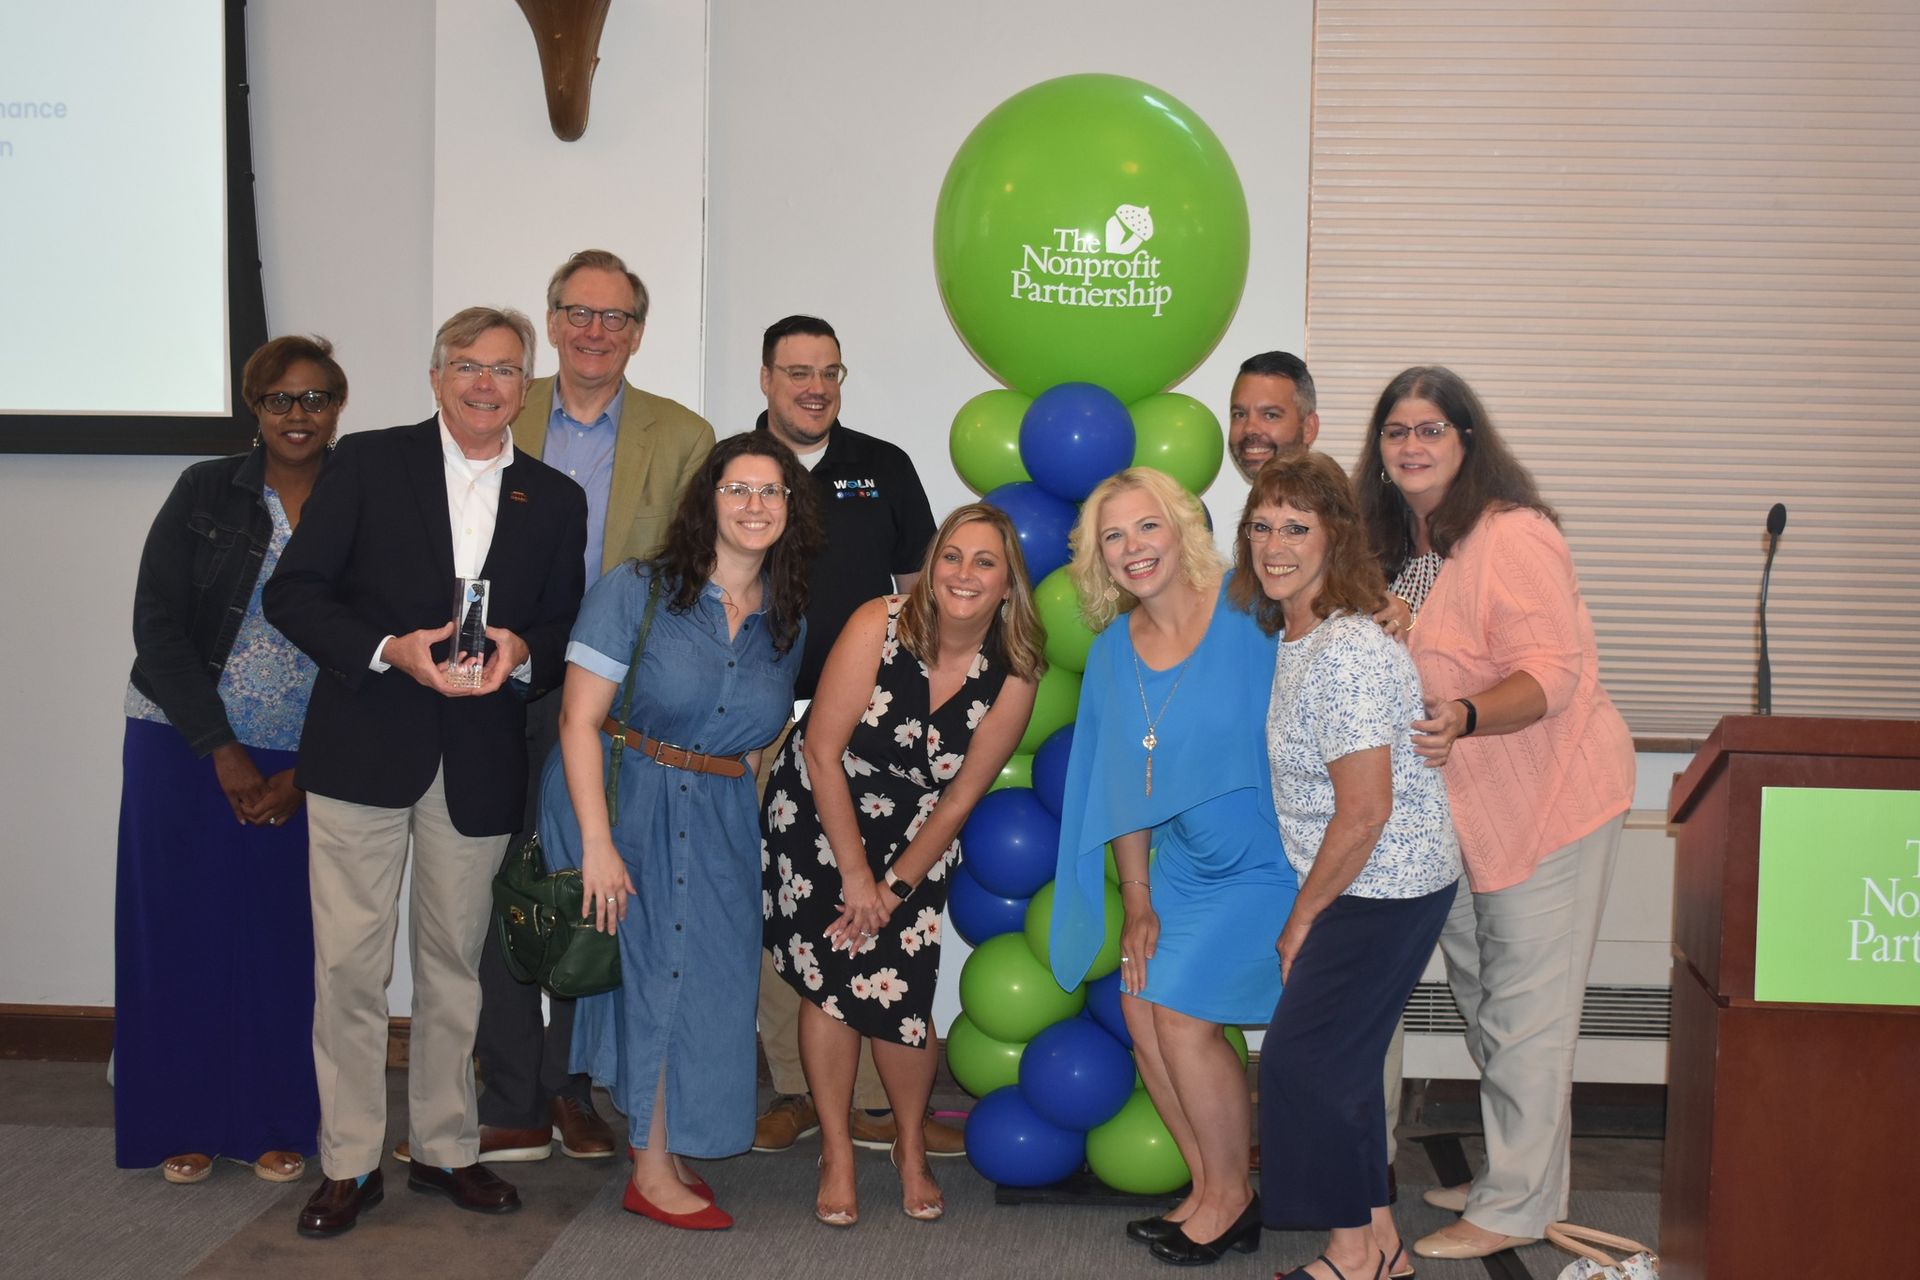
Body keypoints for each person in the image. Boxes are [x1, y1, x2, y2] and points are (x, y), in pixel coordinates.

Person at [264, 307, 587, 1238]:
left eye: (506, 371)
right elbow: (295, 594)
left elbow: (567, 628)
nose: (488, 385)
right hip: (363, 751)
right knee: (350, 970)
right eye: (469, 368)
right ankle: (349, 1163)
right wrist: (384, 649)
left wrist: (524, 650)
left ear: (526, 387)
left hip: (480, 761)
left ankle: (448, 1151)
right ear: (438, 378)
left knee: (456, 971)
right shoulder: (366, 463)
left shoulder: (555, 499)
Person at [1352, 367, 1634, 1263]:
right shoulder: (1416, 544)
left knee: (1527, 1015)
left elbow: (1552, 675)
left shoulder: (1515, 536)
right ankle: (1520, 1171)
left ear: (1468, 441)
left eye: (1431, 428)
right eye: (1396, 431)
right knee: (1488, 1003)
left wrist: (1468, 713)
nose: (1411, 445)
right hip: (1463, 816)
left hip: (1550, 800)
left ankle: (1516, 1206)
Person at [466, 249, 715, 1166]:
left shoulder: (683, 436)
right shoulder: (494, 401)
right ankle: (510, 1092)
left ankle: (570, 1088)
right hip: (494, 687)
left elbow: (688, 574)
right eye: (578, 312)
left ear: (638, 334)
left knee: (584, 887)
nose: (594, 331)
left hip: (611, 704)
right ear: (553, 317)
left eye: (614, 318)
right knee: (499, 884)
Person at [542, 432, 823, 1231]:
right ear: (707, 499)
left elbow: (761, 734)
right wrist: (596, 844)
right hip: (623, 798)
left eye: (773, 493)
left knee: (712, 980)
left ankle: (670, 1135)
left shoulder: (787, 617)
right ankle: (651, 1165)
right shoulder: (636, 588)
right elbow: (577, 719)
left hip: (723, 810)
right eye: (738, 489)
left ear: (791, 510)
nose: (755, 506)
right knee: (653, 971)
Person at [762, 504, 1043, 1226]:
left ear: (1009, 583)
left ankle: (910, 1148)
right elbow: (821, 752)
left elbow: (959, 799)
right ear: (932, 564)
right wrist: (855, 877)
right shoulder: (877, 624)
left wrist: (892, 886)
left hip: (919, 832)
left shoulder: (1016, 669)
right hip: (821, 811)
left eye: (985, 562)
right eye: (952, 556)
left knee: (902, 997)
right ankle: (839, 1151)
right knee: (831, 982)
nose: (964, 574)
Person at [1049, 467, 1296, 1265]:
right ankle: (1209, 1187)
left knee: (1186, 1020)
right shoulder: (1114, 649)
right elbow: (1120, 791)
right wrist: (1141, 900)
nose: (1132, 548)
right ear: (1098, 558)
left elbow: (1340, 637)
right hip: (1183, 866)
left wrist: (1393, 612)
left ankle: (1231, 1196)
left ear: (1180, 528)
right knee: (1143, 1010)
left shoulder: (1252, 607)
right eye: (1112, 537)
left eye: (1145, 527)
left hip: (1270, 863)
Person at [115, 336, 344, 1186]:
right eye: (280, 399)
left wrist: (307, 767)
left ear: (337, 407)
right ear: (255, 406)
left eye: (315, 398)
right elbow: (157, 625)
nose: (298, 414)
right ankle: (181, 1119)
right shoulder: (204, 488)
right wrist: (221, 751)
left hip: (305, 749)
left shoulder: (362, 493)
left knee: (286, 939)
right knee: (179, 932)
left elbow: (373, 643)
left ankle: (275, 1120)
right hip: (181, 739)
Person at [1230, 452, 1462, 1280]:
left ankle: (1351, 1255)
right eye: (1262, 525)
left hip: (1383, 885)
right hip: (1363, 878)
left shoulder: (1346, 651)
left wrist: (1300, 920)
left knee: (1301, 1061)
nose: (1275, 543)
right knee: (1345, 1067)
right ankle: (1382, 1248)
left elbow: (1365, 810)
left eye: (1297, 526)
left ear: (1336, 536)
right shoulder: (1298, 634)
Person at [745, 315, 956, 1159]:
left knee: (867, 903)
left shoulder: (884, 466)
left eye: (829, 372)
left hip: (872, 733)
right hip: (759, 721)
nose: (815, 387)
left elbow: (924, 595)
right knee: (780, 904)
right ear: (765, 378)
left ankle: (873, 1100)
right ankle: (794, 1089)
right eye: (797, 371)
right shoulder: (736, 469)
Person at [1226, 351, 1320, 483]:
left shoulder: (1333, 503)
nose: (1250, 428)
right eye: (1240, 415)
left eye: (1270, 415)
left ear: (1308, 428)